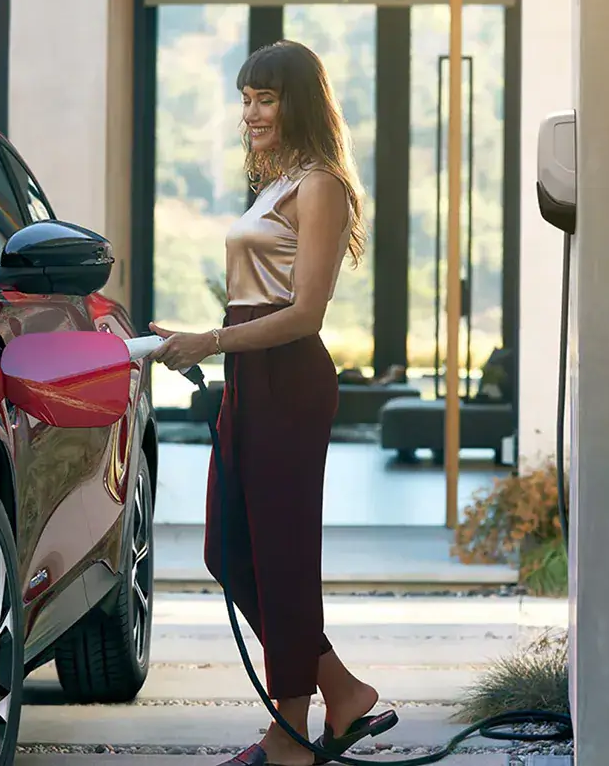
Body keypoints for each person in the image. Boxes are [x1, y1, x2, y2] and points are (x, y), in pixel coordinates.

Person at [149, 40, 389, 766]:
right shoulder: (273, 183)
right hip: (254, 376)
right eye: (245, 99)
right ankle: (342, 689)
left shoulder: (319, 185)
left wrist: (210, 340)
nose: (250, 113)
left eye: (266, 99)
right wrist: (205, 344)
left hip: (289, 376)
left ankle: (289, 733)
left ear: (299, 103)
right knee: (229, 550)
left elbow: (306, 313)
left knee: (281, 557)